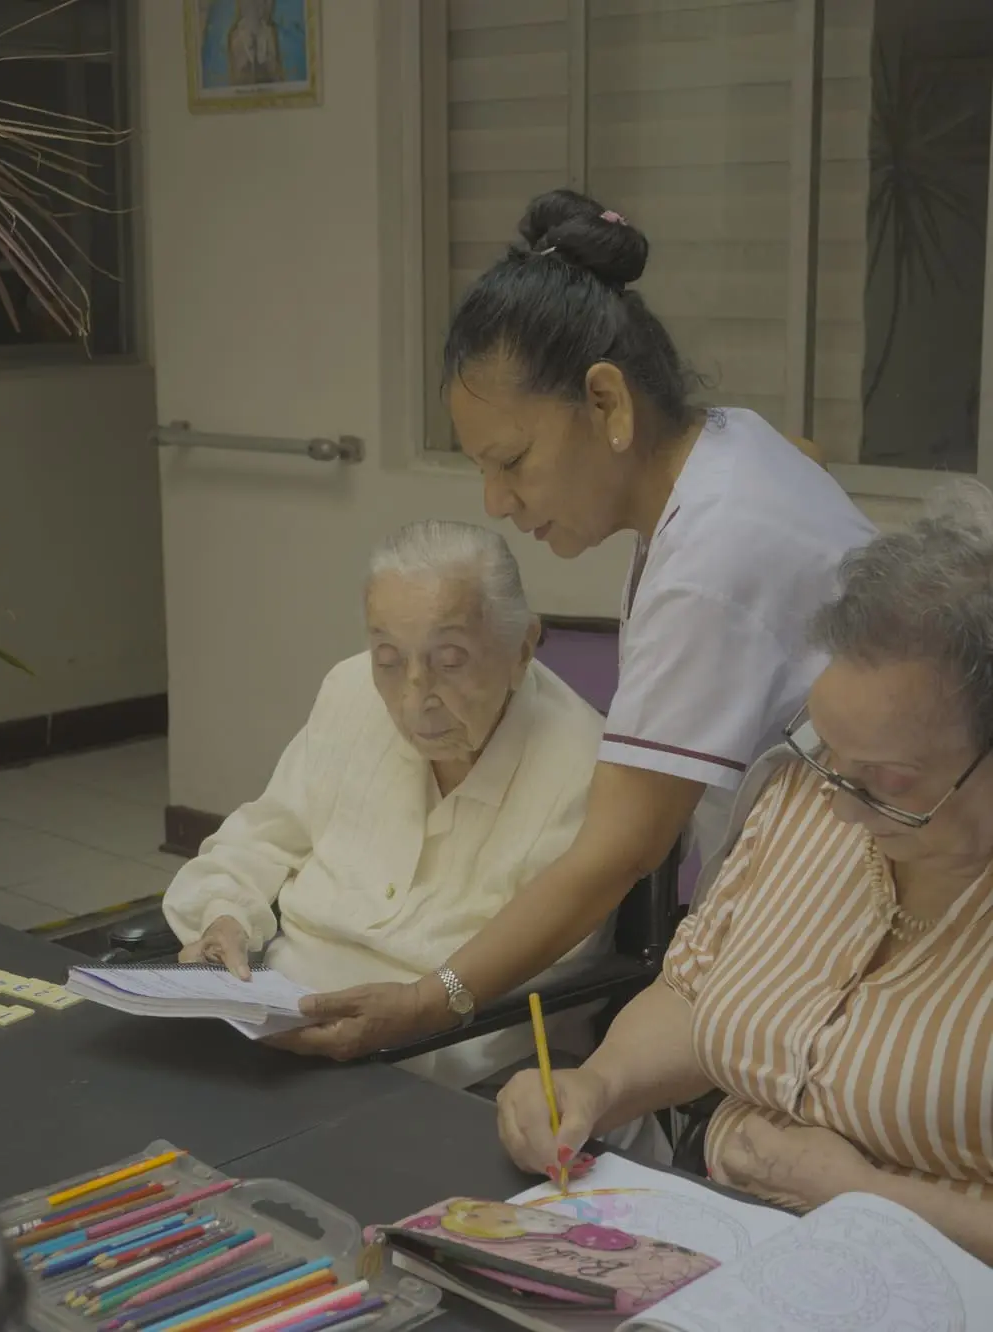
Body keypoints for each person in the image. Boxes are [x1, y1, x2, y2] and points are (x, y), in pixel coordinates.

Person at [285, 188, 875, 1059]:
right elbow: (807, 458)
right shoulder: (735, 445)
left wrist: (431, 1002)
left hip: (863, 913)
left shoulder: (708, 563)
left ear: (608, 404)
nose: (498, 500)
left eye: (512, 461)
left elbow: (617, 854)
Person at [498, 484, 993, 1264]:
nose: (836, 804)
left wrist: (867, 1193)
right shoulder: (805, 792)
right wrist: (595, 1087)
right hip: (720, 1236)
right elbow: (695, 989)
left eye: (888, 784)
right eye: (831, 754)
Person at [162, 520, 605, 1089]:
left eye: (449, 660)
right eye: (388, 658)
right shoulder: (349, 691)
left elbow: (550, 974)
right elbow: (263, 836)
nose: (415, 696)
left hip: (451, 1065)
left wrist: (421, 1011)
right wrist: (224, 915)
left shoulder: (585, 765)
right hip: (271, 1029)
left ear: (522, 648)